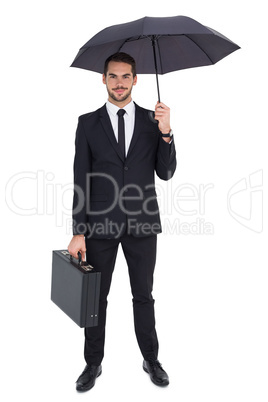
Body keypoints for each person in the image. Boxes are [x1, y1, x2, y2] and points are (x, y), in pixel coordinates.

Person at [68, 52, 176, 391]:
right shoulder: (88, 123)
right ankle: (92, 363)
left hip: (143, 223)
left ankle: (151, 358)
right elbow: (80, 178)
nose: (119, 83)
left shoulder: (151, 121)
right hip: (99, 224)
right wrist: (78, 231)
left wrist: (167, 132)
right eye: (113, 76)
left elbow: (167, 172)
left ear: (135, 79)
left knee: (144, 294)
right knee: (95, 298)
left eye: (125, 76)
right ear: (104, 79)